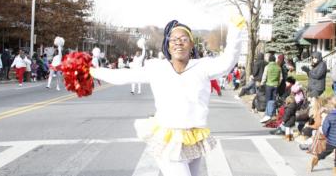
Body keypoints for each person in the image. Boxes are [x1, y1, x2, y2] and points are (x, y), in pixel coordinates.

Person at [89, 16, 244, 176]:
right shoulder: (157, 68)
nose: (178, 42)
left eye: (184, 39)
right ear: (168, 46)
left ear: (191, 44)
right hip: (168, 139)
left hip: (194, 137)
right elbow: (123, 76)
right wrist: (91, 71)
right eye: (174, 40)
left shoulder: (203, 67)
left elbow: (228, 60)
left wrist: (236, 29)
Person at [310, 97, 336, 175]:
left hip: (331, 140)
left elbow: (325, 128)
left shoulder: (329, 116)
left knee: (325, 152)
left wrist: (326, 135)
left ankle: (316, 158)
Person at [260, 54, 282, 123]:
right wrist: (278, 84)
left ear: (269, 60)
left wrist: (262, 83)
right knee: (273, 100)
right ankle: (272, 113)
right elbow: (281, 78)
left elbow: (264, 76)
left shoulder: (267, 67)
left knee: (268, 100)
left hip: (268, 85)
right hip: (275, 85)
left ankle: (267, 114)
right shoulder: (278, 67)